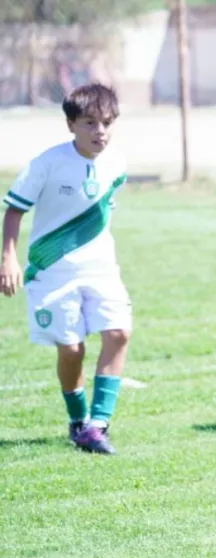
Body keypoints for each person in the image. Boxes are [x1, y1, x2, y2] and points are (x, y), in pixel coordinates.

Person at [0, 82, 131, 455]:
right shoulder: (47, 163)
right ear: (70, 124)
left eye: (106, 122)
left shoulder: (117, 163)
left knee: (119, 333)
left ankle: (97, 425)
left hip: (102, 269)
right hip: (51, 272)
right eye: (89, 122)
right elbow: (15, 209)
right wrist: (8, 256)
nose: (99, 131)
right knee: (71, 350)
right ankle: (78, 421)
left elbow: (104, 205)